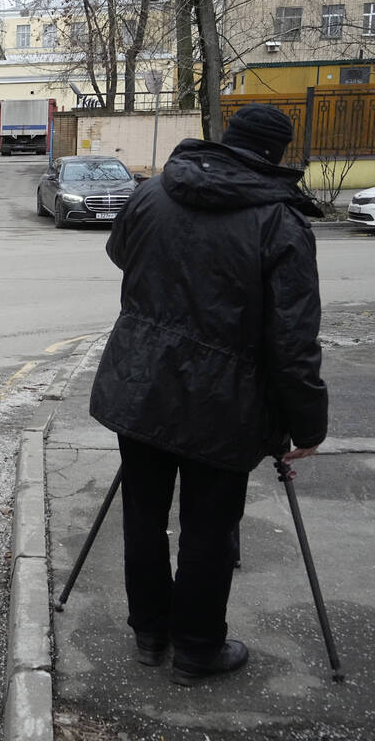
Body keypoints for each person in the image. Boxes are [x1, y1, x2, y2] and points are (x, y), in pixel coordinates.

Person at [89, 103, 328, 687]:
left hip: (141, 383)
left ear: (227, 140)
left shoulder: (153, 192)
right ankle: (196, 648)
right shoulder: (281, 219)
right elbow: (293, 340)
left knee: (144, 516)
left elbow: (121, 252)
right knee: (209, 527)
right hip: (223, 402)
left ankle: (151, 632)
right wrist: (307, 427)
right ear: (277, 155)